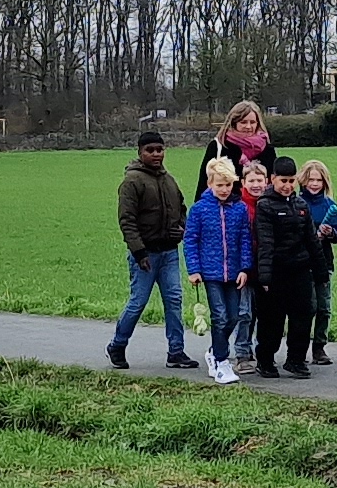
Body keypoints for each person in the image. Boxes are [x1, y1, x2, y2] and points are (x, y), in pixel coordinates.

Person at [108, 128, 193, 370]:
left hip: (169, 252)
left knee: (174, 300)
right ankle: (117, 345)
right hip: (145, 254)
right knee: (138, 302)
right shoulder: (132, 182)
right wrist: (139, 252)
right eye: (150, 150)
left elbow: (183, 209)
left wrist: (182, 228)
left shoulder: (169, 180)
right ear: (140, 152)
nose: (156, 154)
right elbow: (127, 220)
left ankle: (176, 351)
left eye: (160, 149)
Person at [184, 150, 255, 382]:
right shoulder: (199, 209)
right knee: (220, 316)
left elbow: (245, 239)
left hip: (234, 273)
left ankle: (215, 351)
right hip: (211, 273)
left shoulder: (240, 209)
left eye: (228, 185)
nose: (224, 190)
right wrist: (194, 269)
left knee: (234, 316)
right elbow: (191, 240)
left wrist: (245, 268)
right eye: (220, 185)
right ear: (210, 183)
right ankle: (222, 362)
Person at [248, 157, 323, 376]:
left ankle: (296, 360)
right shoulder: (265, 205)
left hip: (299, 269)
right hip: (275, 271)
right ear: (273, 179)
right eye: (283, 181)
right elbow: (265, 243)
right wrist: (265, 278)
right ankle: (266, 360)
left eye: (291, 181)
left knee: (303, 315)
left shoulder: (301, 205)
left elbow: (312, 240)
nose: (288, 186)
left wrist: (320, 271)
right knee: (272, 319)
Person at [298, 161, 337, 365]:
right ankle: (301, 347)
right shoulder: (297, 203)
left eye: (319, 180)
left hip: (324, 263)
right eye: (311, 179)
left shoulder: (329, 205)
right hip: (303, 263)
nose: (315, 184)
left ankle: (320, 347)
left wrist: (330, 232)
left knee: (324, 307)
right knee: (309, 307)